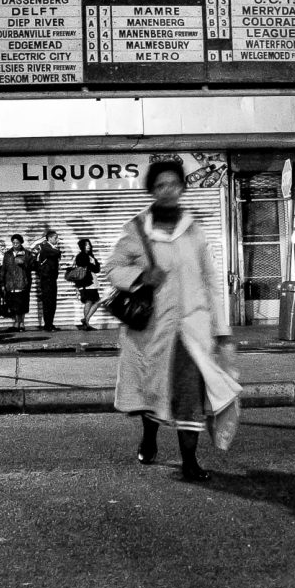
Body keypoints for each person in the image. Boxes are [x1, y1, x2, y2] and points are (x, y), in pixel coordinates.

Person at [106, 159, 241, 483]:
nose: (168, 190)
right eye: (161, 185)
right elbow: (112, 268)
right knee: (153, 391)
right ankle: (149, 437)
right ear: (152, 190)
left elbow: (210, 281)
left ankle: (190, 461)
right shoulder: (137, 229)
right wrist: (139, 275)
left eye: (173, 184)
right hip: (151, 332)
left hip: (192, 330)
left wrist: (221, 330)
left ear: (182, 187)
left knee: (189, 394)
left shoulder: (194, 231)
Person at [0, 234, 33, 333]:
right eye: (13, 243)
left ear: (21, 243)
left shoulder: (27, 253)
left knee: (23, 303)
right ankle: (16, 322)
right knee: (13, 304)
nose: (15, 244)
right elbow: (4, 268)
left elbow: (33, 266)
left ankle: (22, 323)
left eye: (17, 243)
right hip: (11, 283)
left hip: (23, 282)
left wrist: (24, 263)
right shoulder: (8, 254)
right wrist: (2, 282)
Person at [31, 228, 63, 330]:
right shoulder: (45, 247)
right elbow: (57, 253)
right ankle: (48, 325)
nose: (57, 240)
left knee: (52, 302)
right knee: (48, 301)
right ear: (49, 238)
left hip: (52, 279)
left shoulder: (50, 247)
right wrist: (57, 250)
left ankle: (50, 323)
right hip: (47, 279)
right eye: (55, 238)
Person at [72, 237, 102, 331]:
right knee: (91, 301)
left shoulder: (90, 256)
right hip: (86, 282)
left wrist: (92, 264)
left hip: (92, 282)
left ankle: (86, 321)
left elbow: (97, 269)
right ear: (82, 246)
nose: (88, 246)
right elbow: (90, 267)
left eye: (89, 244)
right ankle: (86, 321)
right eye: (86, 245)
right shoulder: (81, 256)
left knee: (93, 301)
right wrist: (92, 264)